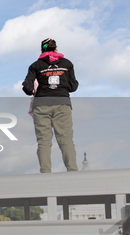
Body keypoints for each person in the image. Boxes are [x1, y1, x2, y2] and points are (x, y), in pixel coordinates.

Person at [22, 38, 79, 173]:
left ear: (42, 49)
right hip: (62, 104)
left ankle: (46, 173)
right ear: (55, 48)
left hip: (42, 104)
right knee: (66, 140)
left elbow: (27, 88)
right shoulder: (67, 64)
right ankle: (73, 172)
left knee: (44, 141)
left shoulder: (35, 66)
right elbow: (73, 86)